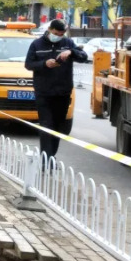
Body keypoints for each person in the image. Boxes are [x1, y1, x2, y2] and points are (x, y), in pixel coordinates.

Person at [24, 19, 89, 163]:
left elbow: (84, 57)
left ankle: (51, 156)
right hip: (44, 92)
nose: (59, 36)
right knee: (47, 126)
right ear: (50, 30)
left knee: (58, 127)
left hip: (63, 92)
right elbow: (28, 64)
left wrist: (71, 52)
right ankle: (45, 160)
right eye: (56, 33)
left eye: (61, 34)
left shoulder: (67, 43)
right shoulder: (37, 44)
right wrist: (44, 64)